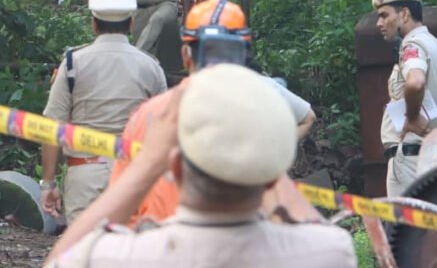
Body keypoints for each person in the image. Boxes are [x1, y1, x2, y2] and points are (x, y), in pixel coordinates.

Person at [45, 63, 355, 268]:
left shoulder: (118, 257)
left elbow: (61, 259)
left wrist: (147, 163)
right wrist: (265, 151)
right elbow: (311, 227)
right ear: (272, 176)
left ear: (175, 169)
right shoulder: (326, 253)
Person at [108, 0, 317, 226]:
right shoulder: (264, 108)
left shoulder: (148, 116)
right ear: (243, 55)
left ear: (186, 56)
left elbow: (120, 207)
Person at [40, 0, 167, 224]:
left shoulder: (73, 64)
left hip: (85, 176)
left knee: (86, 254)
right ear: (131, 24)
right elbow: (162, 129)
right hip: (132, 174)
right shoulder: (151, 67)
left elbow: (52, 127)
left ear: (93, 23)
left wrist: (48, 183)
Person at [372, 0, 437, 197]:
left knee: (404, 227)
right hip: (434, 157)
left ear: (405, 14)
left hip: (409, 159)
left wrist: (411, 117)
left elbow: (415, 82)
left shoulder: (412, 46)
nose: (379, 23)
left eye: (384, 15)